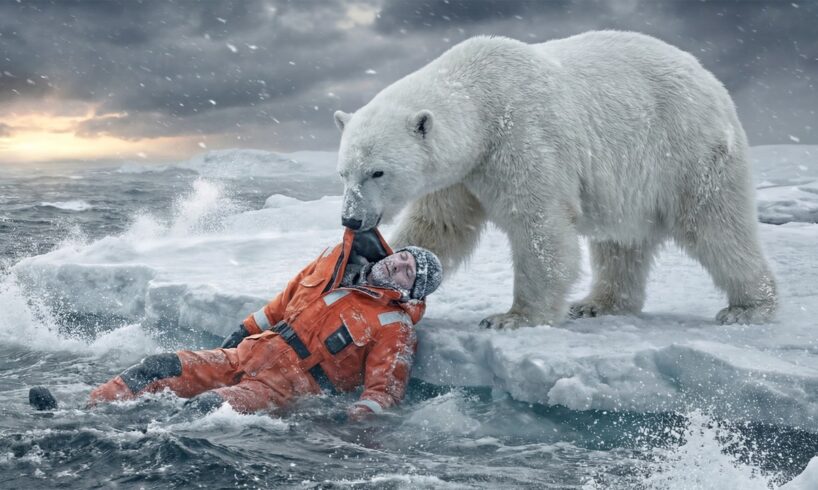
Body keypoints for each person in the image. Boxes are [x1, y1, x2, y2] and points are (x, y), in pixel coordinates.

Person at [33, 228, 443, 420]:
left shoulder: (395, 326)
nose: (395, 263)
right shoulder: (339, 270)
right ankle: (79, 411)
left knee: (208, 409)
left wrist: (357, 425)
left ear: (412, 292)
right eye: (401, 256)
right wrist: (244, 330)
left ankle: (132, 444)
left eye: (407, 270)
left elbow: (384, 390)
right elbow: (282, 305)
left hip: (281, 388)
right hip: (244, 355)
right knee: (159, 366)